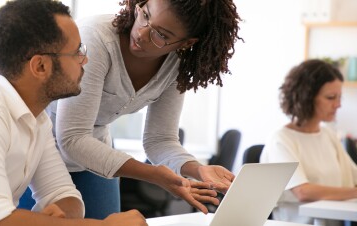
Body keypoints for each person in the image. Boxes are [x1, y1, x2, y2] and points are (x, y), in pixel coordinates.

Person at [20, 0, 242, 219]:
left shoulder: (177, 66)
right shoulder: (97, 39)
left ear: (185, 43)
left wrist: (197, 169)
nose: (142, 33)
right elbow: (73, 138)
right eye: (145, 15)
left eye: (161, 35)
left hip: (95, 152)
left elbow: (160, 140)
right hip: (40, 147)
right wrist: (153, 175)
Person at [0, 0, 148, 225]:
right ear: (40, 66)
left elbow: (65, 195)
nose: (85, 59)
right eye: (77, 52)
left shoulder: (37, 119)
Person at [260, 59, 357, 226]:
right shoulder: (281, 139)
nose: (338, 104)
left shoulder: (328, 134)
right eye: (331, 97)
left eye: (340, 97)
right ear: (306, 97)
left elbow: (353, 175)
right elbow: (303, 191)